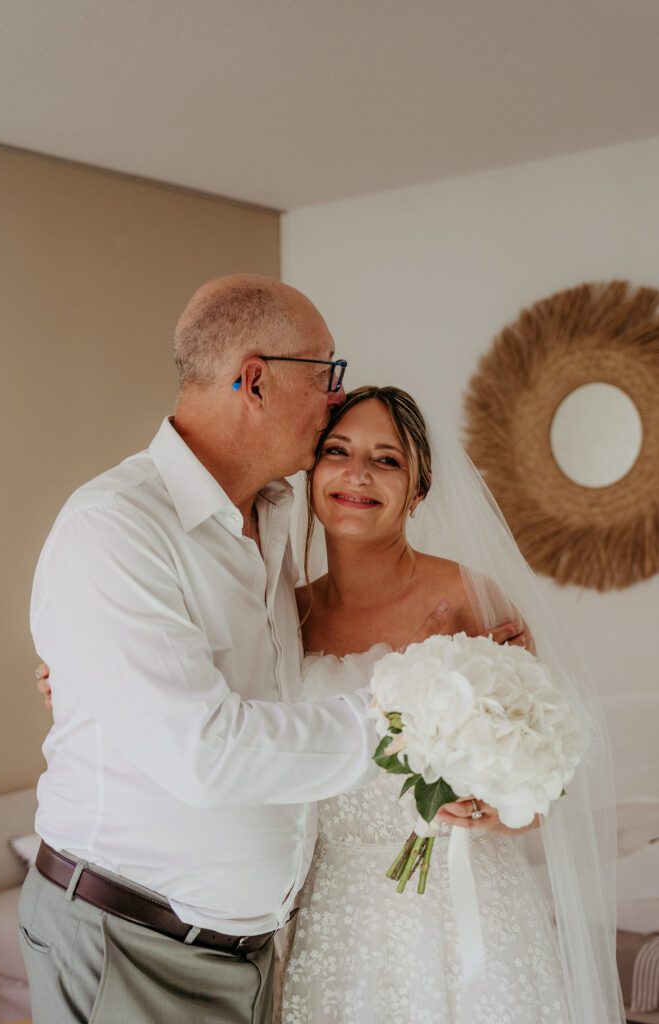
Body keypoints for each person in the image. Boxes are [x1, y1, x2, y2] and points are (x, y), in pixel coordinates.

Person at [26, 275, 526, 1024]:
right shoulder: (115, 527)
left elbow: (252, 685)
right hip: (134, 945)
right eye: (327, 372)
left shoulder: (270, 520)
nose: (336, 396)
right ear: (255, 381)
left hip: (260, 954)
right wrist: (422, 707)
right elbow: (207, 752)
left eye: (386, 460)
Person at [277, 385, 624, 1024]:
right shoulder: (285, 613)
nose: (358, 474)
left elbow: (542, 779)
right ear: (311, 469)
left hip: (460, 905)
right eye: (337, 451)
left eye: (386, 460)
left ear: (419, 490)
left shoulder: (466, 598)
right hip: (331, 913)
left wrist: (490, 813)